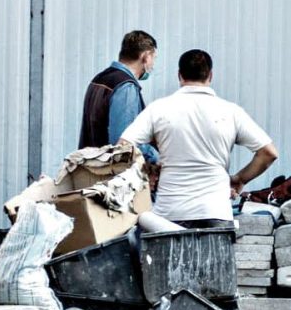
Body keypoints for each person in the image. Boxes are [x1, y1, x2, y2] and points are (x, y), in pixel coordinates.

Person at [119, 48, 278, 228]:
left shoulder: (158, 109)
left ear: (179, 75)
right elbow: (268, 153)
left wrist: (148, 170)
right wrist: (240, 179)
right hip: (216, 210)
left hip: (169, 214)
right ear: (210, 75)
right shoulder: (231, 112)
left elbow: (123, 146)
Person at [80, 30, 158, 164]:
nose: (153, 65)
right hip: (111, 175)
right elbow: (124, 145)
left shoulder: (99, 79)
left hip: (91, 169)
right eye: (154, 58)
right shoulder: (126, 87)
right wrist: (156, 157)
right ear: (145, 56)